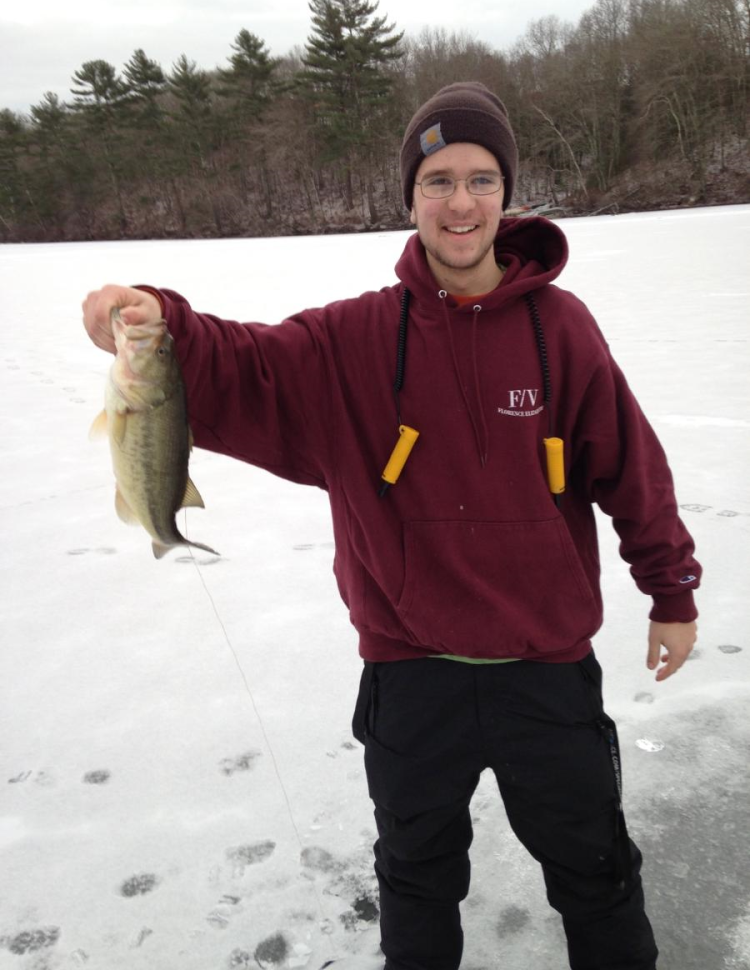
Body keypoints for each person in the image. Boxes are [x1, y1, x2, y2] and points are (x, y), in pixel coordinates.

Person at [83, 82, 700, 970]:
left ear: (506, 193)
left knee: (598, 875)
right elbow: (237, 365)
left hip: (548, 675)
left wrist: (670, 589)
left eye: (481, 180)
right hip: (412, 678)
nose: (460, 202)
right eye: (438, 179)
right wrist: (145, 314)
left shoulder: (561, 330)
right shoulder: (353, 341)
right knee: (415, 881)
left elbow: (631, 468)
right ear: (409, 196)